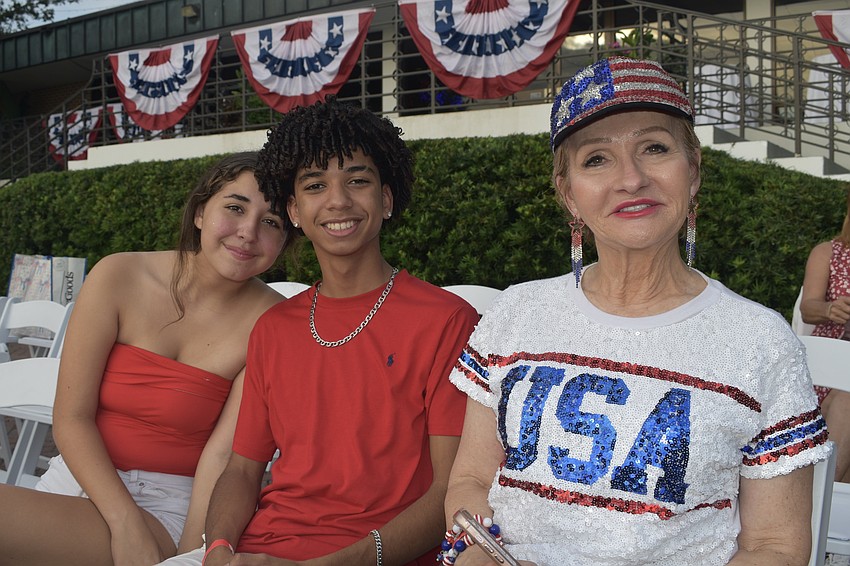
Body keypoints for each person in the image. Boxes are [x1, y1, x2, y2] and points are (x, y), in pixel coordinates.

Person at [442, 57, 830, 566]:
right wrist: (476, 552)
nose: (630, 179)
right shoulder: (516, 312)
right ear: (568, 194)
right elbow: (470, 479)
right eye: (596, 159)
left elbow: (774, 546)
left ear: (692, 172)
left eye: (654, 148)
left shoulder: (760, 341)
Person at [160, 96, 479, 566]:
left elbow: (450, 493)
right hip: (258, 549)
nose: (337, 200)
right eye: (314, 185)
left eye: (358, 180)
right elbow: (243, 470)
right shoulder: (274, 328)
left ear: (386, 199)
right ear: (293, 209)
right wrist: (220, 548)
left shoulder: (447, 321)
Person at [0, 152, 289, 566]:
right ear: (200, 213)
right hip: (77, 478)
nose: (247, 232)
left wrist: (187, 551)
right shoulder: (119, 276)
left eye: (271, 222)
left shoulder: (271, 323)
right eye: (235, 208)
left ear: (283, 241)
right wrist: (124, 523)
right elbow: (72, 417)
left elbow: (222, 456)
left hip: (170, 504)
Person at [801, 192, 850, 483]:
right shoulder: (829, 252)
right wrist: (832, 309)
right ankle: (825, 496)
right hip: (832, 361)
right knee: (846, 398)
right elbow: (809, 308)